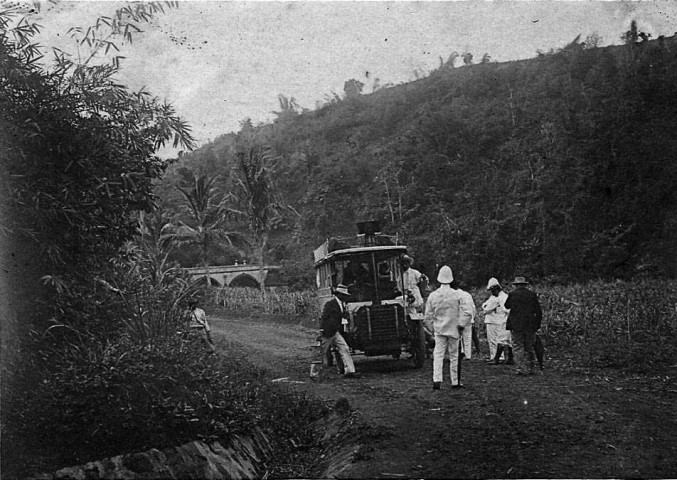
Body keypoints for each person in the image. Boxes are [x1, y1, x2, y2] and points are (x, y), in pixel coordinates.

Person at [424, 265, 473, 390]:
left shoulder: (433, 296)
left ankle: (437, 379)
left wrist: (432, 329)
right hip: (454, 329)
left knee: (438, 355)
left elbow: (427, 316)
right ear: (451, 279)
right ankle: (455, 381)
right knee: (454, 355)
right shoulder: (457, 295)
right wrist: (461, 325)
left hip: (439, 329)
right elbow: (467, 312)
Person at [319, 284, 359, 378]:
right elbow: (324, 317)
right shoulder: (330, 304)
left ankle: (350, 371)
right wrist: (321, 329)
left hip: (335, 331)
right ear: (339, 294)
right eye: (344, 295)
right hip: (328, 331)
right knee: (321, 352)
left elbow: (340, 316)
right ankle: (314, 373)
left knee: (344, 348)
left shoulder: (342, 304)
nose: (345, 297)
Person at [504, 276, 543, 375]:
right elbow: (538, 311)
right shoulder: (532, 295)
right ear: (525, 285)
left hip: (516, 325)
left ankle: (521, 368)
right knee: (529, 346)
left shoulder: (512, 294)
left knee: (518, 346)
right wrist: (537, 324)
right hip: (530, 325)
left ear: (516, 285)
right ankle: (531, 368)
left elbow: (506, 305)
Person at [482, 278, 513, 365]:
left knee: (500, 340)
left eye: (492, 290)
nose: (491, 292)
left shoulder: (502, 297)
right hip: (500, 320)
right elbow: (484, 306)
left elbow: (506, 309)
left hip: (502, 321)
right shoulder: (495, 297)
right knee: (503, 340)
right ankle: (501, 358)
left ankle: (497, 358)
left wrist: (491, 307)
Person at [454, 281, 478, 360]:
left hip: (460, 317)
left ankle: (460, 353)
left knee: (458, 337)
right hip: (469, 317)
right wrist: (472, 318)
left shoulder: (456, 294)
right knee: (467, 337)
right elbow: (473, 307)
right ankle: (468, 355)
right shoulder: (468, 295)